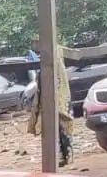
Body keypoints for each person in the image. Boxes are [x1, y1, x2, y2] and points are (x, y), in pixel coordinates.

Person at [26, 40, 74, 168]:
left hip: (58, 101)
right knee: (52, 129)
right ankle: (60, 155)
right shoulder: (42, 62)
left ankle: (65, 154)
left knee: (62, 127)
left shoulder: (55, 59)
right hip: (48, 102)